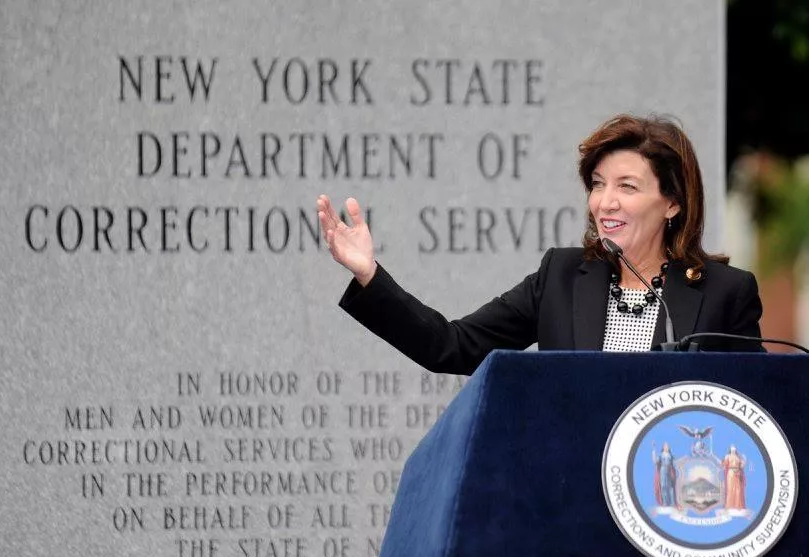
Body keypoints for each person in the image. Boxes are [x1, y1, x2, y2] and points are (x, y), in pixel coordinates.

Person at [317, 114, 764, 375]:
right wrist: (369, 275)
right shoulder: (562, 277)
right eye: (597, 184)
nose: (605, 202)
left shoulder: (725, 292)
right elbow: (451, 345)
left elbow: (758, 408)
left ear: (672, 203)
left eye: (627, 187)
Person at [722, 445, 747, 510]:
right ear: (730, 450)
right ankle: (729, 506)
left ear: (735, 450)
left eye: (734, 449)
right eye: (732, 449)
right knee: (730, 489)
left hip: (737, 474)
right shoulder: (727, 456)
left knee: (738, 490)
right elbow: (724, 465)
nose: (733, 450)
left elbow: (741, 466)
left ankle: (738, 506)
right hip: (730, 474)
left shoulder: (738, 457)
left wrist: (744, 461)